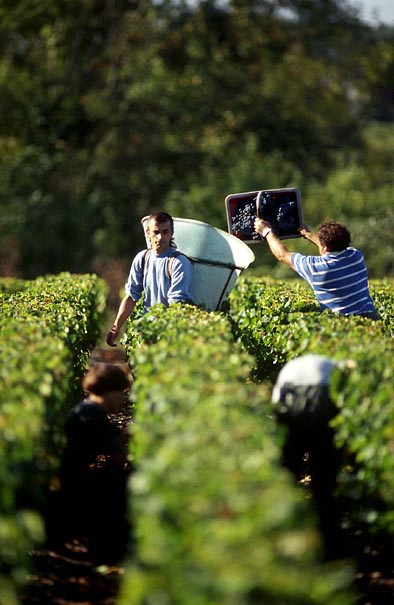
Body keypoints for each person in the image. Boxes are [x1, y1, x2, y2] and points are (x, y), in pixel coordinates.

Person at [47, 363, 132, 563]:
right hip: (68, 488)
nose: (123, 399)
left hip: (65, 482)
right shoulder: (92, 415)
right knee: (121, 481)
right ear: (110, 392)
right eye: (122, 393)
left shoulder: (87, 410)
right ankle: (106, 548)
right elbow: (117, 453)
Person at [272, 354, 349, 559]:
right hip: (324, 399)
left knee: (289, 471)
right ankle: (328, 541)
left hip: (291, 397)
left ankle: (286, 532)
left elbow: (277, 403)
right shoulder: (335, 368)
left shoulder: (291, 368)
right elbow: (346, 407)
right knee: (324, 476)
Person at [254, 218, 378, 319]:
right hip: (372, 320)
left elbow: (282, 255)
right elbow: (331, 247)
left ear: (324, 247)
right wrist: (308, 235)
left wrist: (266, 231)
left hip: (345, 325)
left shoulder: (317, 268)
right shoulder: (356, 256)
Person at [106, 211, 194, 347]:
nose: (160, 237)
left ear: (172, 232)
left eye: (165, 232)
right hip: (148, 331)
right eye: (156, 232)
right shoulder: (142, 259)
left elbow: (177, 305)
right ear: (147, 233)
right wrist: (116, 327)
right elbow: (131, 297)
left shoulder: (179, 262)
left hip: (170, 332)